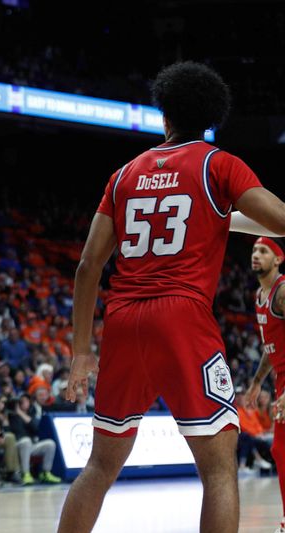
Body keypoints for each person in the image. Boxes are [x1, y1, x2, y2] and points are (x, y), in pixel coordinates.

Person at [59, 61, 285, 533]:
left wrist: (81, 352)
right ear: (213, 118)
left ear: (164, 115)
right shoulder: (218, 163)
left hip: (122, 318)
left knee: (100, 468)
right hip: (182, 317)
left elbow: (87, 268)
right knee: (220, 470)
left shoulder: (123, 174)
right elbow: (280, 220)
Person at [246, 236, 285, 531]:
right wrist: (258, 381)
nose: (256, 255)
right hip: (279, 379)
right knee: (280, 451)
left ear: (278, 259)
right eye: (254, 250)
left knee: (281, 450)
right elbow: (271, 347)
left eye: (264, 251)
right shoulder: (260, 296)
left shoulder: (282, 292)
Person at [8, 393, 61, 485]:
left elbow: (36, 428)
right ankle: (26, 473)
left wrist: (20, 413)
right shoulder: (11, 414)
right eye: (22, 401)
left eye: (26, 401)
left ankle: (45, 473)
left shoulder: (31, 413)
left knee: (50, 444)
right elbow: (14, 431)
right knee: (26, 441)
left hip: (30, 446)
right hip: (15, 446)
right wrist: (16, 412)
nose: (24, 403)